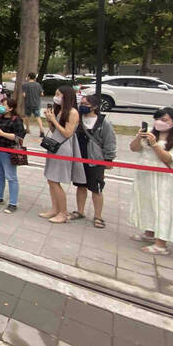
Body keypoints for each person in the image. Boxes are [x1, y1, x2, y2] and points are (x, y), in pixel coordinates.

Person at [128, 107, 173, 255]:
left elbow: (169, 158)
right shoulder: (149, 132)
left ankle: (161, 243)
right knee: (147, 204)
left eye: (164, 120)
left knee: (162, 207)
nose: (159, 122)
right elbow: (134, 149)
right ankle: (150, 232)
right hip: (145, 176)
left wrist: (155, 144)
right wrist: (138, 137)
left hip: (163, 179)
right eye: (157, 119)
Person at [70, 95, 117, 229]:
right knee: (80, 186)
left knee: (96, 188)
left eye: (86, 103)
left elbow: (110, 142)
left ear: (95, 107)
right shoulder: (78, 119)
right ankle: (80, 211)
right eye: (81, 103)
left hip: (96, 159)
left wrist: (109, 159)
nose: (82, 105)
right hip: (79, 157)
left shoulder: (103, 123)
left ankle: (98, 216)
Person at [40, 85, 85, 224]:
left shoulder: (73, 112)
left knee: (55, 180)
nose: (56, 97)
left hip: (64, 148)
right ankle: (55, 209)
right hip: (55, 146)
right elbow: (56, 131)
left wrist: (53, 120)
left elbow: (67, 133)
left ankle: (63, 213)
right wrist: (50, 120)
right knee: (50, 179)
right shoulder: (60, 111)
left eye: (58, 94)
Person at [0, 98, 26, 213]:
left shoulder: (16, 120)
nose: (1, 107)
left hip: (8, 151)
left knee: (11, 177)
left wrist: (2, 134)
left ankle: (13, 203)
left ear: (11, 108)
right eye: (1, 104)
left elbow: (19, 137)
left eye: (4, 105)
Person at [21, 73, 45, 137]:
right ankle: (42, 130)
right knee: (38, 116)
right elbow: (42, 94)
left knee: (26, 116)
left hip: (28, 103)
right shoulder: (38, 85)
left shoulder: (25, 85)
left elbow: (24, 95)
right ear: (34, 78)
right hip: (36, 103)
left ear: (28, 77)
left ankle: (28, 129)